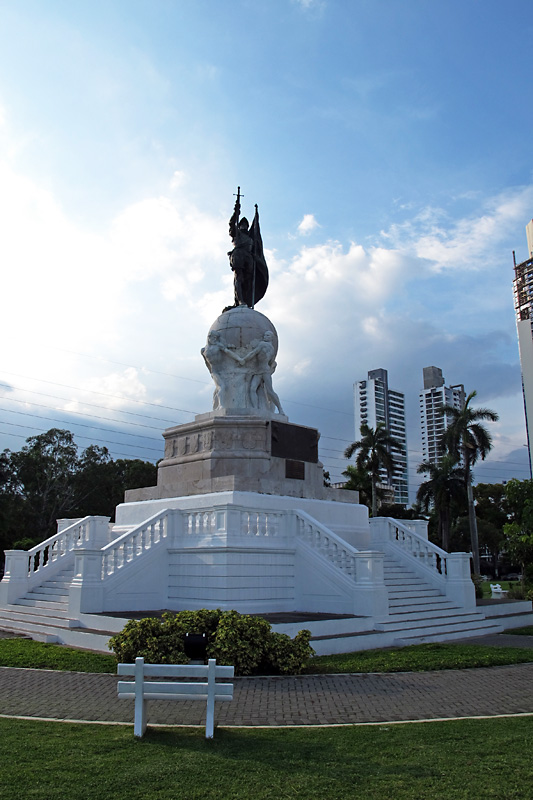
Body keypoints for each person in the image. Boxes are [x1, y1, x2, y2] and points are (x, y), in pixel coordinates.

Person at [241, 331, 284, 414]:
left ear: (271, 338)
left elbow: (253, 353)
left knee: (269, 391)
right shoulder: (271, 348)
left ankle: (280, 409)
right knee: (252, 388)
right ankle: (256, 408)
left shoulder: (263, 344)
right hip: (259, 371)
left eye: (267, 335)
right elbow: (271, 362)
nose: (265, 336)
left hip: (264, 371)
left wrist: (244, 359)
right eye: (264, 335)